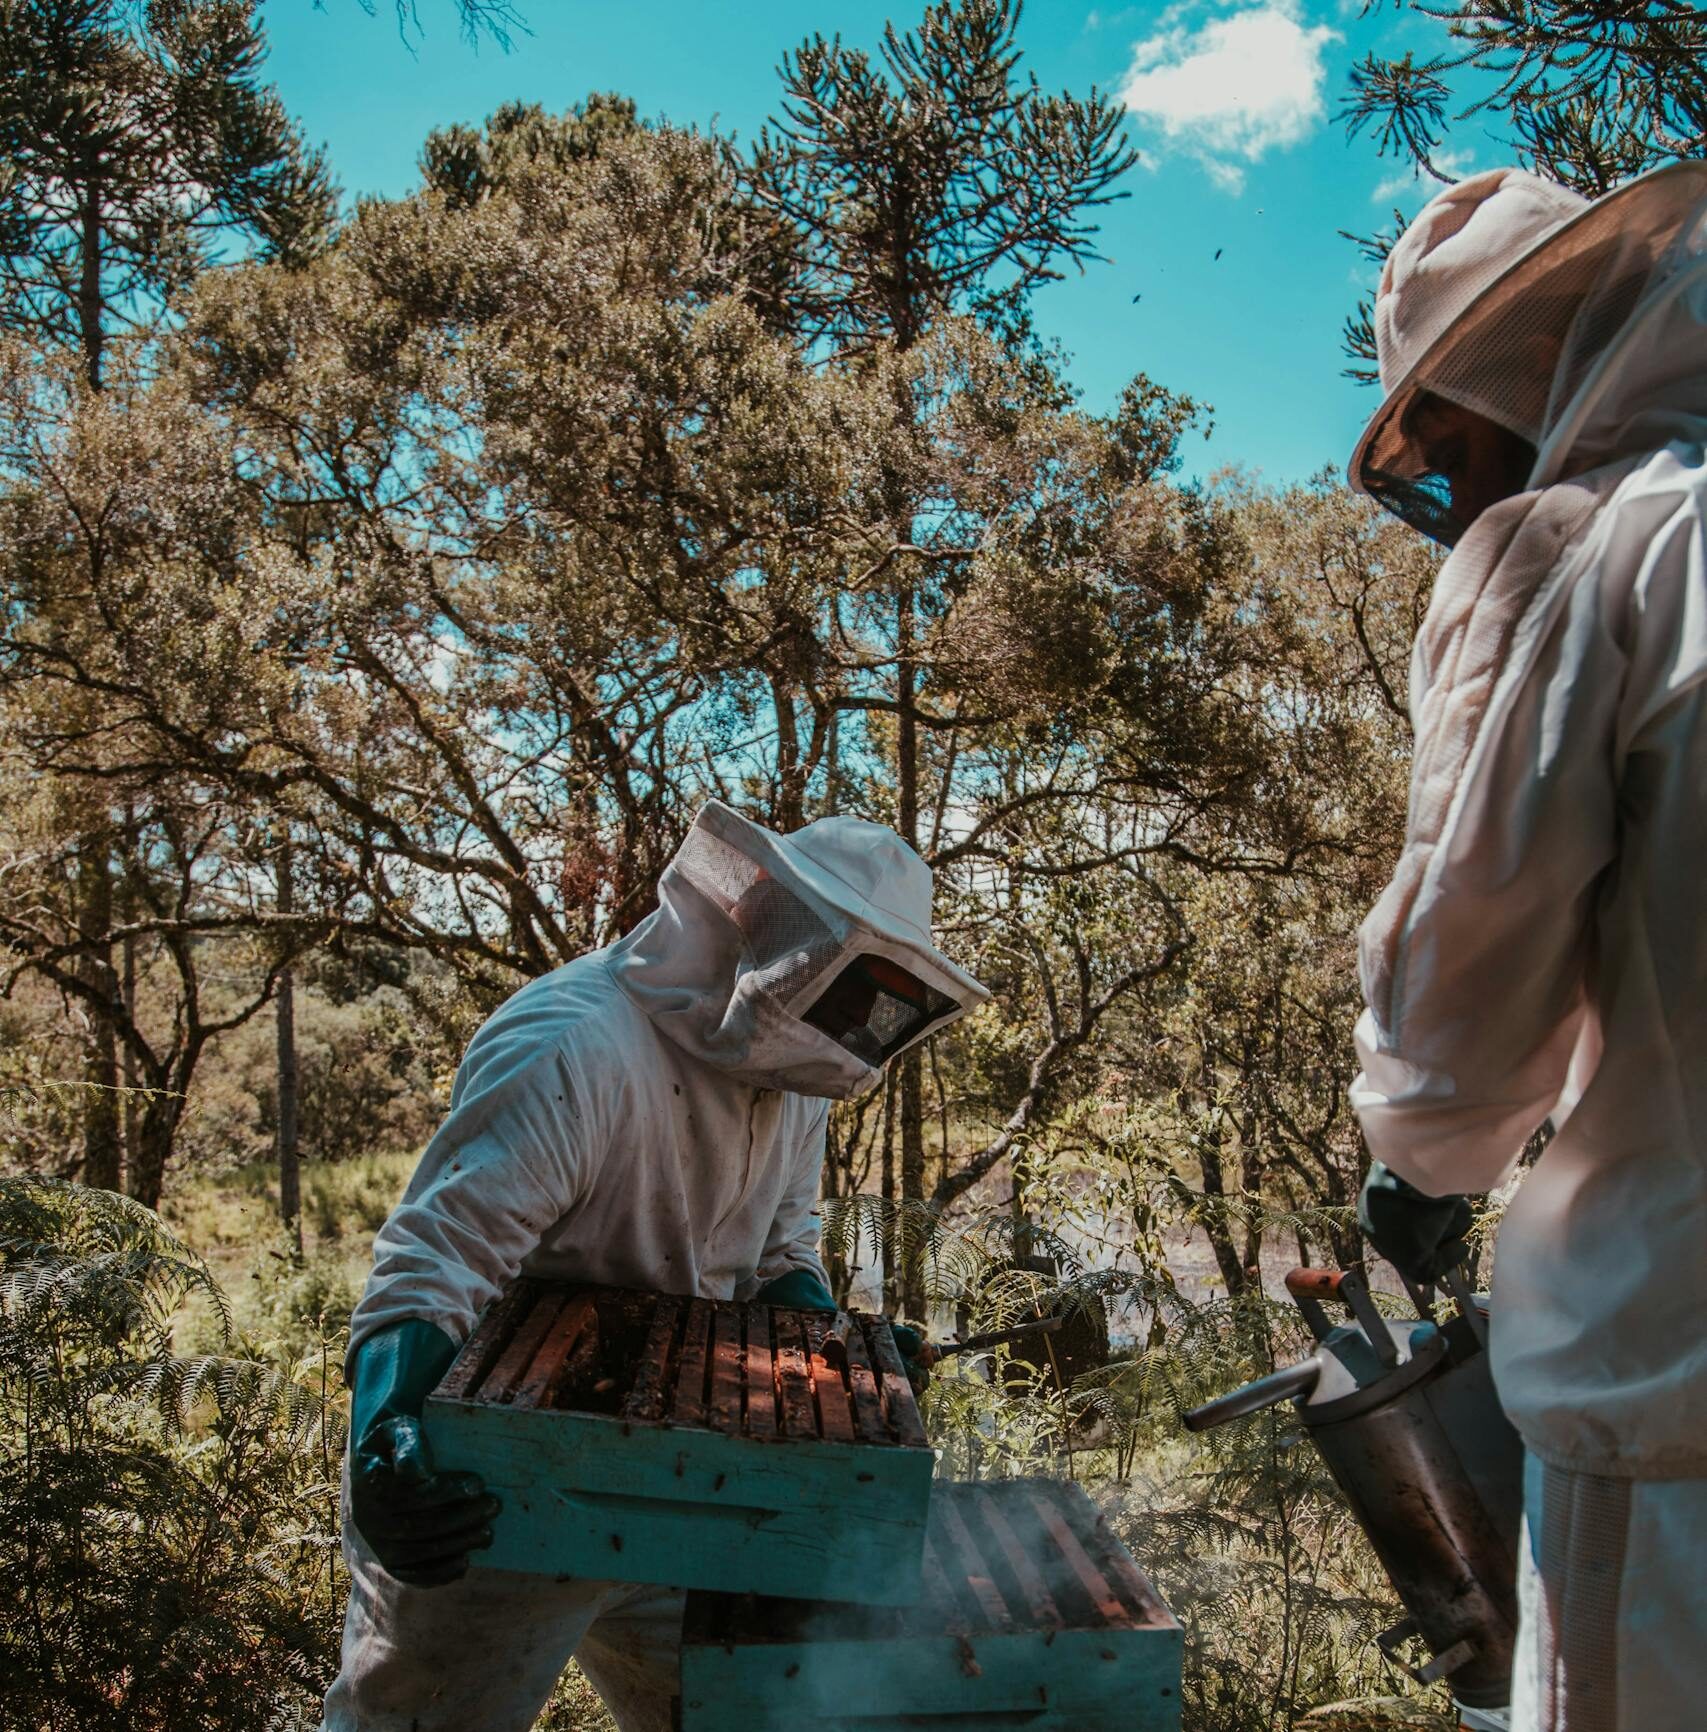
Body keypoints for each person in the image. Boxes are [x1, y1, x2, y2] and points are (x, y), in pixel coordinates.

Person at [320, 799, 987, 1732]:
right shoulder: (571, 1045)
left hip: (683, 1493)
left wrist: (845, 1356)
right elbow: (432, 1266)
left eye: (880, 1001)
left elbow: (777, 1259)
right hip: (488, 1491)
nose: (858, 1023)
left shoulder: (801, 1073)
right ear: (782, 938)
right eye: (850, 990)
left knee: (729, 1713)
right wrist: (386, 1431)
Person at [1344, 162, 1707, 1728]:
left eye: (1440, 443)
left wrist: (1417, 1166)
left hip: (1675, 1391)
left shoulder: (1579, 550)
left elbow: (1457, 1017)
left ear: (1510, 369)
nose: (1453, 489)